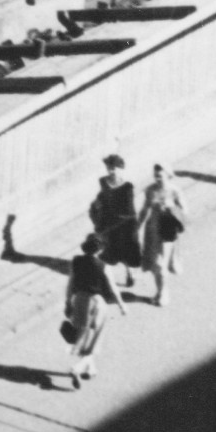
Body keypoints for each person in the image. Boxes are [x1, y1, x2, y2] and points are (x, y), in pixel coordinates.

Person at [58, 234, 115, 391]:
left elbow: (70, 285)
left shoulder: (76, 261)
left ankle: (91, 370)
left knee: (85, 339)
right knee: (94, 340)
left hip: (79, 302)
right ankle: (76, 369)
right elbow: (113, 288)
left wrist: (67, 302)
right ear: (100, 249)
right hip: (96, 304)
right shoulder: (102, 266)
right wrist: (122, 305)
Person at [89, 155, 145, 300]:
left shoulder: (127, 187)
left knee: (126, 251)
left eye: (113, 168)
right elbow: (102, 197)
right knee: (109, 251)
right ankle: (107, 281)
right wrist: (97, 208)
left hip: (125, 225)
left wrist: (131, 227)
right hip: (109, 223)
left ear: (120, 169)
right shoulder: (103, 181)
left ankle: (130, 273)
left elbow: (130, 210)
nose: (111, 171)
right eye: (109, 167)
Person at [140, 163, 188, 305]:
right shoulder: (150, 190)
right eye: (155, 176)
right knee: (154, 263)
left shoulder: (174, 191)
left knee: (160, 265)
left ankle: (163, 293)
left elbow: (184, 209)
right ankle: (161, 289)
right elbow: (145, 209)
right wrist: (137, 226)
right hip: (152, 230)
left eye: (160, 176)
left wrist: (171, 208)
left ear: (168, 175)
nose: (157, 179)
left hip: (167, 229)